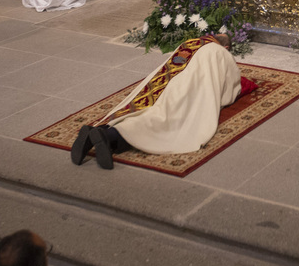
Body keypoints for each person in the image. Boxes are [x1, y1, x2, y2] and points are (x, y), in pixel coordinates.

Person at [70, 34, 243, 169]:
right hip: (183, 89)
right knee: (162, 119)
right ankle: (107, 136)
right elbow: (231, 89)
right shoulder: (221, 53)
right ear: (226, 47)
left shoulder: (191, 43)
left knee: (140, 108)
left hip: (159, 84)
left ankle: (98, 131)